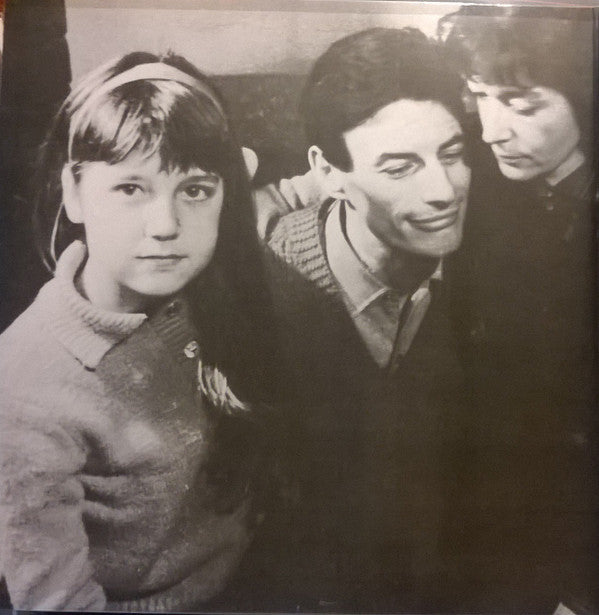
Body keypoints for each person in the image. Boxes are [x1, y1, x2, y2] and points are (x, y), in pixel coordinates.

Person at [0, 51, 277, 611]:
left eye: (195, 190)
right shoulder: (23, 393)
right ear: (74, 192)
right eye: (131, 189)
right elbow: (59, 602)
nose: (166, 226)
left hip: (247, 570)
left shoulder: (200, 289)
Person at [231, 28, 472, 613]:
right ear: (329, 173)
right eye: (400, 168)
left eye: (452, 155)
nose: (444, 191)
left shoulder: (491, 271)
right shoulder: (259, 302)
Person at [440, 7, 598, 613]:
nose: (492, 131)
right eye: (480, 98)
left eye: (524, 107)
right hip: (491, 483)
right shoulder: (477, 170)